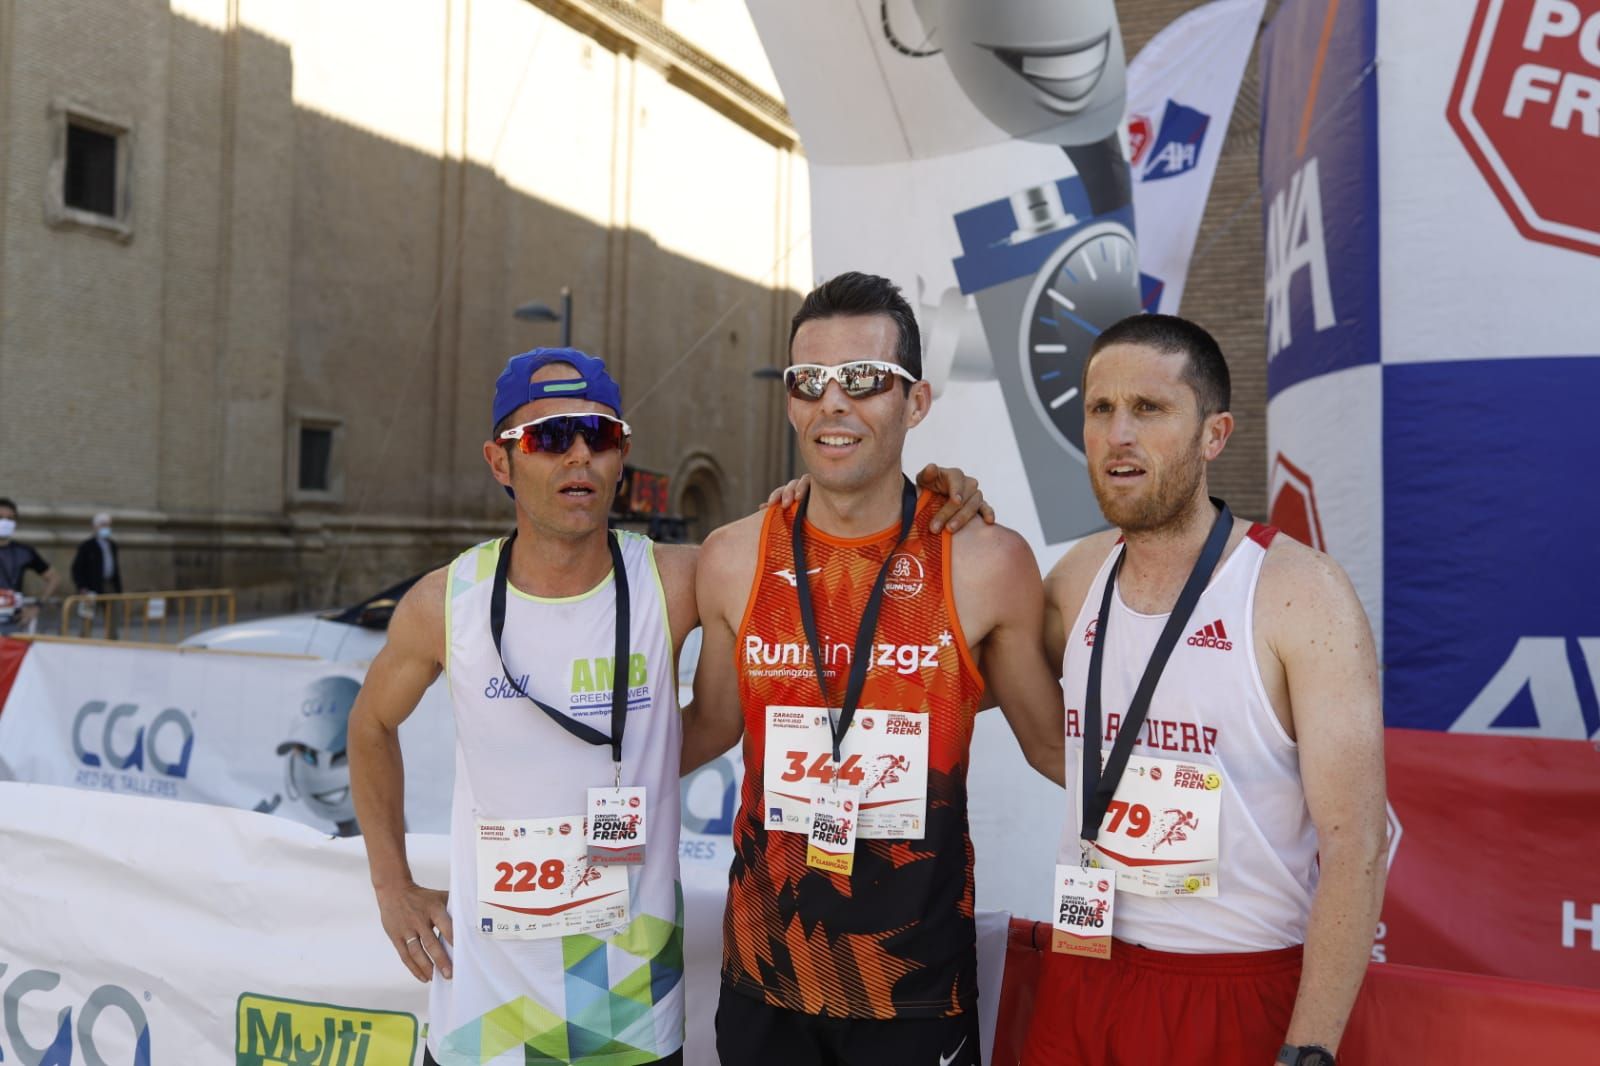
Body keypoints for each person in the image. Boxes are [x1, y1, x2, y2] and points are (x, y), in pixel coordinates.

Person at [349, 346, 985, 1066]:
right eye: (551, 437)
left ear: (622, 457)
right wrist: (390, 881)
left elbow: (827, 521)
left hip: (628, 1016)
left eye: (602, 437)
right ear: (501, 461)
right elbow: (371, 723)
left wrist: (933, 492)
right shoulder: (446, 602)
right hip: (486, 1017)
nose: (579, 458)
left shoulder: (678, 579)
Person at [683, 272, 1068, 1066]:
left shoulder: (984, 560)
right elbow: (709, 725)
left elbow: (1051, 746)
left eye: (864, 380)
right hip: (764, 979)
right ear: (789, 399)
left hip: (916, 989)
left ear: (916, 403)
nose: (834, 402)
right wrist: (563, 760)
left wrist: (1222, 794)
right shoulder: (732, 557)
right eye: (810, 382)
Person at [1023, 315, 1387, 1066]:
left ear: (1213, 434)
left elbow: (1356, 843)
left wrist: (1310, 1049)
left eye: (1149, 409)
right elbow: (956, 659)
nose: (1118, 433)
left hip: (1230, 983)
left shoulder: (1299, 592)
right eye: (1100, 409)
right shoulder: (1076, 577)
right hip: (1080, 964)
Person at [0, 498, 58, 635]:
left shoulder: (24, 552)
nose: (5, 522)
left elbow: (54, 578)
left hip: (12, 622)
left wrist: (37, 606)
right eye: (0, 517)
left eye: (10, 519)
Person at [70, 512, 123, 636]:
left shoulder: (112, 545)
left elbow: (115, 568)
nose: (107, 528)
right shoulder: (87, 546)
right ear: (95, 527)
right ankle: (85, 642)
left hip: (109, 585)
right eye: (103, 525)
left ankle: (112, 641)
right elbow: (76, 569)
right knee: (87, 618)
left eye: (108, 525)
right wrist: (82, 587)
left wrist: (118, 589)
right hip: (91, 587)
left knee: (112, 618)